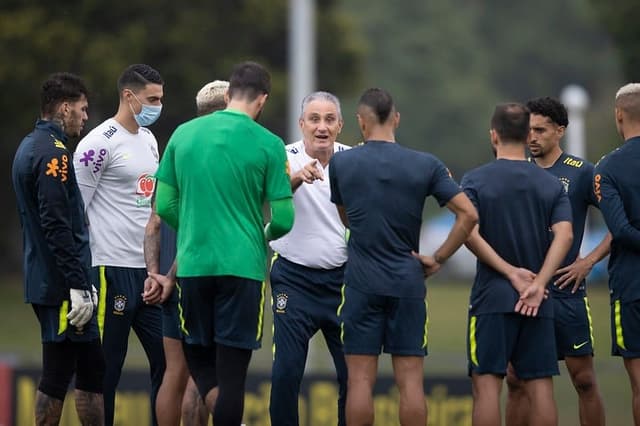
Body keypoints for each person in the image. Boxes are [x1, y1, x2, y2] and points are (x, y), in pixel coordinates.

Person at [153, 61, 294, 426]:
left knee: (198, 359)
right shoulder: (270, 144)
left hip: (196, 264)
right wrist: (258, 234)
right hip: (243, 267)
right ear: (262, 100)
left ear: (229, 93)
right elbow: (283, 219)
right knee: (233, 376)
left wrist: (197, 227)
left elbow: (164, 205)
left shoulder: (182, 135)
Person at [329, 88, 478, 426]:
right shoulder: (425, 164)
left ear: (360, 122)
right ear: (396, 119)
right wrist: (439, 257)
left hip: (361, 281)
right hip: (407, 280)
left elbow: (346, 216)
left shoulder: (342, 163)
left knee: (360, 381)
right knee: (410, 381)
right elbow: (468, 215)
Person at [453, 103, 573, 426]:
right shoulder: (550, 184)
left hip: (491, 298)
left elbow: (468, 232)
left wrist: (509, 273)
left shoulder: (475, 180)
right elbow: (565, 235)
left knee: (487, 387)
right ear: (525, 135)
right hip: (538, 301)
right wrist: (538, 284)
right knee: (541, 387)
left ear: (494, 135)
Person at [505, 97, 609, 426]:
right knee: (516, 381)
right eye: (527, 130)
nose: (531, 137)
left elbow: (619, 224)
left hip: (566, 292)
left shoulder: (582, 173)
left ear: (560, 131)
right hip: (523, 291)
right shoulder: (514, 171)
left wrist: (588, 261)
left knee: (584, 380)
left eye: (540, 130)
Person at [73, 64, 166, 426]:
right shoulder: (98, 143)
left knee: (170, 361)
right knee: (106, 368)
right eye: (153, 98)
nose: (159, 105)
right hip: (109, 269)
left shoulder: (149, 140)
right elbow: (74, 210)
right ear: (129, 96)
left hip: (147, 273)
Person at [12, 72, 105, 425]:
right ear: (64, 108)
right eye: (81, 109)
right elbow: (55, 225)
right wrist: (78, 285)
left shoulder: (28, 145)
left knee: (89, 367)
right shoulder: (55, 155)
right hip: (62, 285)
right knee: (59, 373)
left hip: (47, 278)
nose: (85, 116)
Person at [142, 80, 230, 426]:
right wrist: (174, 274)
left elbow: (153, 221)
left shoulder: (178, 144)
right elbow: (199, 229)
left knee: (173, 372)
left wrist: (156, 274)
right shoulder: (223, 152)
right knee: (202, 372)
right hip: (200, 272)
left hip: (166, 276)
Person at [268, 91, 349, 426]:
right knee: (286, 371)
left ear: (340, 125)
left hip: (342, 281)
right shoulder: (283, 157)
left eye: (329, 119)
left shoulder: (352, 160)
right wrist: (296, 180)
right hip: (293, 278)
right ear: (301, 123)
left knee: (353, 374)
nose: (322, 127)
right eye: (314, 119)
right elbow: (263, 197)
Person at [594, 82, 640, 426]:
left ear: (618, 116)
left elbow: (620, 230)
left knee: (639, 385)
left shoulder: (607, 168)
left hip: (632, 286)